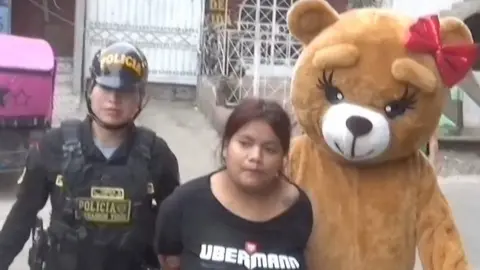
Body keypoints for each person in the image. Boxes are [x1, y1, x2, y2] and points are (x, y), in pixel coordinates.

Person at [0, 41, 180, 270]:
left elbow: (176, 225)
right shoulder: (53, 146)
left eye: (124, 92)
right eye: (106, 88)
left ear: (140, 99)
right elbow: (22, 216)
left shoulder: (157, 155)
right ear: (90, 89)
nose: (113, 100)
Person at [154, 98, 314, 270]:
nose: (255, 156)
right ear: (225, 146)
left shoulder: (299, 207)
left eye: (270, 149)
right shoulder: (183, 204)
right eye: (245, 143)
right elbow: (169, 262)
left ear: (283, 158)